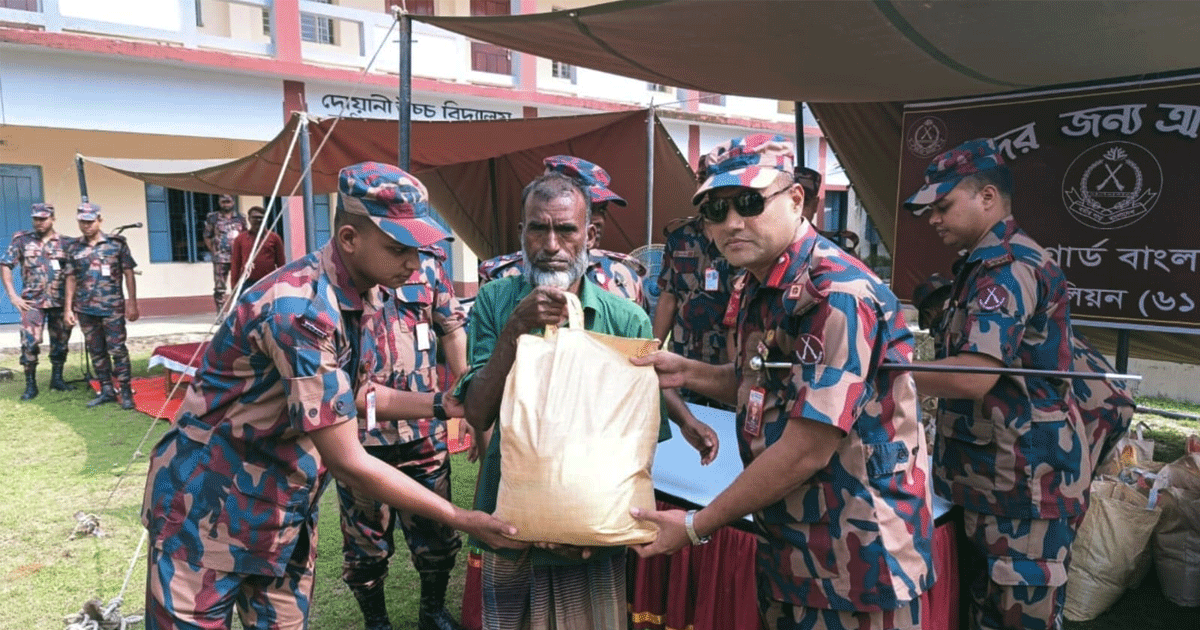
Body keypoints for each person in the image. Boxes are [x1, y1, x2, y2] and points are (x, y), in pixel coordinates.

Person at [140, 162, 525, 630]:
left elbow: (355, 394)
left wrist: (447, 404)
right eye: (399, 248)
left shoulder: (367, 293)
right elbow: (348, 461)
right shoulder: (301, 310)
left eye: (418, 248)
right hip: (204, 512)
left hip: (282, 512)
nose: (414, 263)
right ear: (348, 238)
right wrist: (461, 517)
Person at [629, 134, 933, 630]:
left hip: (858, 559)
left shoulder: (836, 294)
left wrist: (693, 525)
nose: (731, 223)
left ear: (796, 200)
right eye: (715, 210)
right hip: (794, 546)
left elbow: (807, 446)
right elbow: (765, 387)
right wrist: (687, 371)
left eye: (749, 203)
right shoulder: (760, 282)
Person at [457, 171, 685, 630]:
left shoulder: (627, 319)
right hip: (512, 526)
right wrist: (513, 333)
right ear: (521, 232)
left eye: (566, 229)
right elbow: (478, 412)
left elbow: (640, 439)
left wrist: (578, 521)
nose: (551, 244)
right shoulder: (496, 302)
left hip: (593, 531)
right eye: (537, 228)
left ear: (590, 234)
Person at [903, 138, 1089, 630]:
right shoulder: (981, 265)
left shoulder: (1009, 267)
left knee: (1019, 620)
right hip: (990, 479)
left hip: (1025, 485)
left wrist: (877, 372)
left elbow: (972, 374)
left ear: (987, 197)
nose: (934, 219)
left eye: (943, 206)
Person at [338, 244, 472, 630]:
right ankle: (376, 622)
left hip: (423, 431)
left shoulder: (429, 268)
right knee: (365, 545)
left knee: (437, 536)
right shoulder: (347, 270)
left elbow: (451, 328)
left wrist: (462, 388)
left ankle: (432, 611)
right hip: (362, 438)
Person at [911, 273, 1134, 476]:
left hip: (1087, 407)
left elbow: (959, 384)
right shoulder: (1003, 309)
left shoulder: (954, 321)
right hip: (1116, 396)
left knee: (1065, 489)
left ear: (930, 312)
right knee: (1083, 487)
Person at [477, 156, 648, 310]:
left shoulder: (625, 274)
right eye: (589, 208)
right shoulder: (501, 281)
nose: (598, 220)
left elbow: (644, 344)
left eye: (602, 210)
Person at [63, 203, 139, 410]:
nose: (86, 226)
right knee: (96, 350)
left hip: (112, 308)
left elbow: (129, 273)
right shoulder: (74, 247)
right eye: (82, 222)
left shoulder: (116, 244)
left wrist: (132, 303)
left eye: (90, 221)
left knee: (117, 350)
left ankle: (125, 390)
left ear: (100, 220)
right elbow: (70, 278)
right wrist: (68, 308)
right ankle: (106, 389)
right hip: (85, 309)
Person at [2, 203, 76, 400]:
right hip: (32, 303)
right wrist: (12, 295)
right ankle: (30, 385)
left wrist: (71, 305)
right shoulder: (22, 241)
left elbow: (73, 274)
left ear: (53, 218)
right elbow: (6, 264)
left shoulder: (66, 244)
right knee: (30, 342)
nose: (39, 222)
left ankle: (57, 379)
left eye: (43, 219)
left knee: (60, 343)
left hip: (59, 303)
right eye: (36, 219)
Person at [228, 205, 286, 295]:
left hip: (268, 281)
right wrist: (234, 286)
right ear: (249, 219)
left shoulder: (274, 238)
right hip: (247, 282)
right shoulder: (240, 239)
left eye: (261, 218)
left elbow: (281, 263)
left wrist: (282, 282)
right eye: (255, 217)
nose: (258, 220)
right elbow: (236, 264)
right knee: (248, 308)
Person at [203, 193, 247, 312]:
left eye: (228, 202)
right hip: (220, 258)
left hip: (238, 258)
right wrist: (214, 251)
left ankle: (238, 311)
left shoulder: (240, 218)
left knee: (238, 286)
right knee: (219, 288)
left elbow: (246, 236)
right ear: (219, 202)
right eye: (223, 202)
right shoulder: (213, 217)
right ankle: (220, 312)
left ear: (233, 202)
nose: (226, 204)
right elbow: (207, 236)